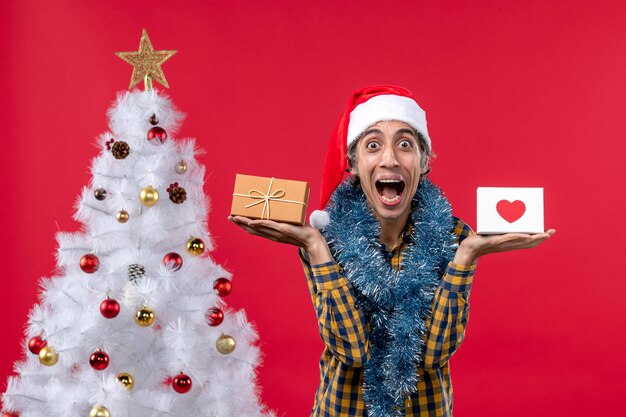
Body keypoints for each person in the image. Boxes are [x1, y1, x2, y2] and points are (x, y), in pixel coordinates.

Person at [229, 85, 555, 417]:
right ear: (353, 164)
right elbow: (352, 351)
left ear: (424, 161)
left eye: (404, 145)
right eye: (373, 145)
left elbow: (433, 355)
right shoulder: (324, 239)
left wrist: (466, 257)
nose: (389, 159)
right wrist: (315, 248)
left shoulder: (453, 237)